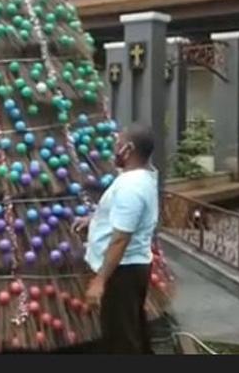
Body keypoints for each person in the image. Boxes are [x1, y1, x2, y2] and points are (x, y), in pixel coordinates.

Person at [73, 123, 159, 354]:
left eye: (117, 145)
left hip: (123, 272)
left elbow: (121, 239)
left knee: (122, 340)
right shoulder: (142, 176)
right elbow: (126, 215)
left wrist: (100, 281)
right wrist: (96, 219)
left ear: (128, 149)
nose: (113, 150)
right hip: (131, 268)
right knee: (133, 330)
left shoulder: (131, 187)